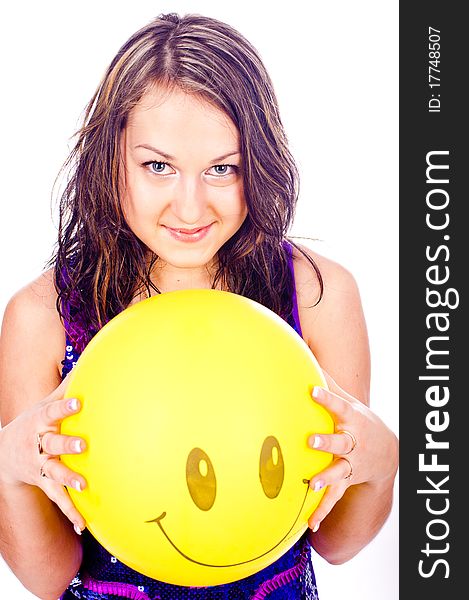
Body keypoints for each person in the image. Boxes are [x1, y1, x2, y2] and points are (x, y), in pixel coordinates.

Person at [0, 12, 398, 600]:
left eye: (222, 169)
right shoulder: (45, 317)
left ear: (256, 164)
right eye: (157, 166)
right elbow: (48, 575)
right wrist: (10, 469)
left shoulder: (317, 295)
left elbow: (335, 542)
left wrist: (383, 460)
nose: (190, 207)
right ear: (111, 159)